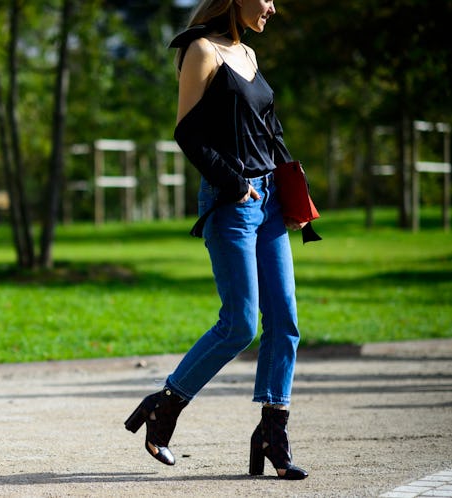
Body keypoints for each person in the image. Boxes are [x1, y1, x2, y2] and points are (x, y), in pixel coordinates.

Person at [124, 0, 309, 480]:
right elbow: (187, 132)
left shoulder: (246, 53)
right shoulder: (200, 50)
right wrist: (235, 183)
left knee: (285, 321)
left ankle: (273, 431)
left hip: (268, 202)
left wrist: (293, 196)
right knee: (240, 323)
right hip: (233, 201)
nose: (272, 6)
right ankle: (164, 405)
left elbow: (271, 130)